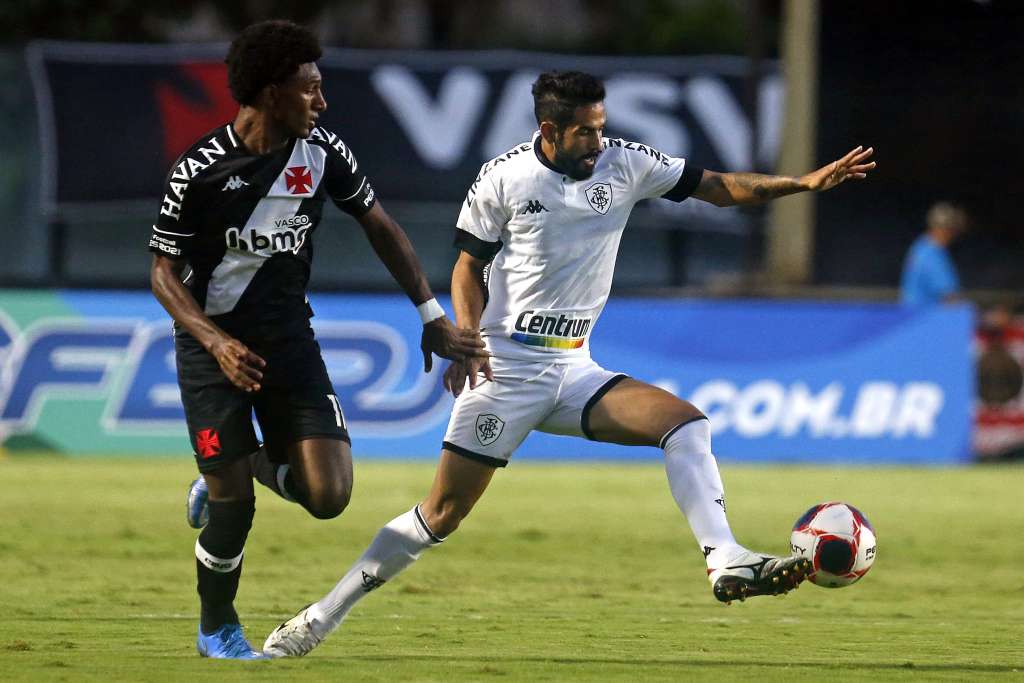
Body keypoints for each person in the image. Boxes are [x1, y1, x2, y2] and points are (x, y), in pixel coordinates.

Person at [261, 70, 876, 657]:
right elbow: (468, 266)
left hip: (575, 367)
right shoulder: (504, 178)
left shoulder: (627, 163)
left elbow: (717, 186)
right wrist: (468, 336)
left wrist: (802, 183)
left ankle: (725, 558)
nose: (598, 140)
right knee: (440, 516)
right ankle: (321, 616)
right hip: (506, 370)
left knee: (686, 424)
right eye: (586, 130)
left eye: (601, 126)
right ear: (550, 131)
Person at [148, 20, 486, 660]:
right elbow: (162, 273)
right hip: (211, 349)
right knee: (233, 506)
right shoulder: (200, 171)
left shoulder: (322, 150)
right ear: (271, 93)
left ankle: (233, 461)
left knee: (329, 496)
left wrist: (429, 313)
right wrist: (215, 343)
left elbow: (379, 226)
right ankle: (217, 626)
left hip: (288, 343)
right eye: (310, 90)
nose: (322, 102)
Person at [899, 201, 967, 306]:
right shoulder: (933, 254)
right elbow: (951, 299)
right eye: (953, 228)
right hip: (928, 318)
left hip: (914, 317)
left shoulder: (920, 245)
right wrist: (983, 317)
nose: (955, 234)